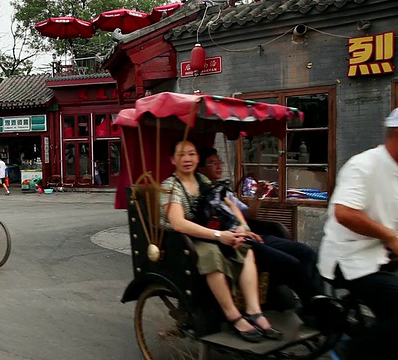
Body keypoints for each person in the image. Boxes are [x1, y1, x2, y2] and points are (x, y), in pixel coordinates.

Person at [161, 140, 281, 343]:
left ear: (197, 158)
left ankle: (254, 311)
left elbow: (228, 202)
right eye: (181, 155)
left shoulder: (202, 180)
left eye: (191, 154)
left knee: (246, 249)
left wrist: (241, 226)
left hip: (210, 231)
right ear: (173, 160)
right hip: (182, 240)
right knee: (211, 253)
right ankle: (232, 314)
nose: (187, 159)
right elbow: (179, 223)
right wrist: (218, 236)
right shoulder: (170, 186)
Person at [196, 147, 323, 315]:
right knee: (292, 264)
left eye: (219, 162)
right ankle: (316, 311)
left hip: (252, 234)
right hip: (236, 242)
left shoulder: (223, 190)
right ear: (201, 169)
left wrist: (258, 195)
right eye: (212, 163)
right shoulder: (203, 196)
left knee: (306, 253)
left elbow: (249, 215)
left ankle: (318, 304)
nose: (219, 166)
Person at [318, 109, 398, 360]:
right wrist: (389, 236)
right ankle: (348, 353)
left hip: (383, 256)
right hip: (350, 259)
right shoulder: (364, 165)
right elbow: (344, 212)